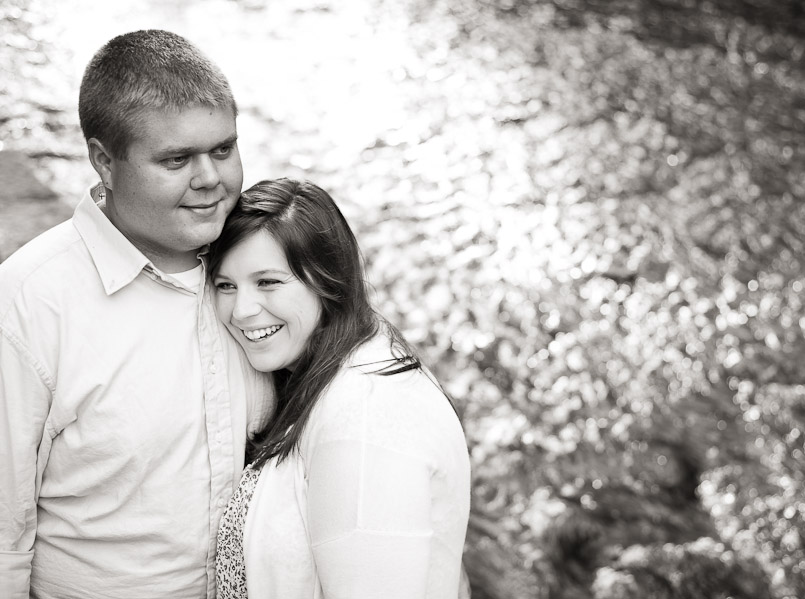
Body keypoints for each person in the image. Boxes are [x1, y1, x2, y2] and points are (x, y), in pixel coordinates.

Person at [0, 30, 272, 599]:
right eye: (176, 159)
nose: (210, 179)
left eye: (223, 149)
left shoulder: (266, 267)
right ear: (103, 161)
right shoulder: (29, 304)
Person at [209, 178, 471, 598]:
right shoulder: (323, 378)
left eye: (269, 282)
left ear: (327, 279)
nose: (241, 310)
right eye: (226, 286)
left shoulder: (367, 417)